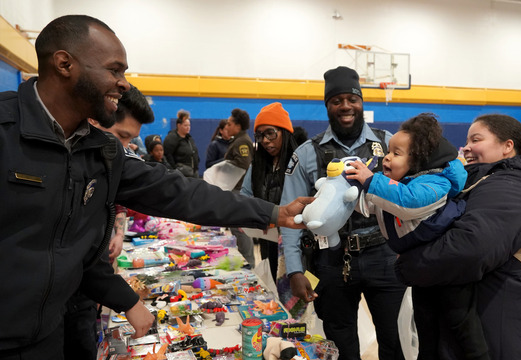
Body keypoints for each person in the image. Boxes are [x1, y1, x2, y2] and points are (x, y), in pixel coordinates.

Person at [0, 15, 310, 358]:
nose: (124, 84)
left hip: (48, 336)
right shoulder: (6, 131)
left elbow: (178, 193)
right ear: (64, 64)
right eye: (115, 70)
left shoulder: (100, 152)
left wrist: (273, 212)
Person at [280, 66, 406, 360]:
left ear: (362, 102)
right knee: (339, 343)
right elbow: (290, 218)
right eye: (337, 101)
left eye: (352, 99)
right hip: (331, 262)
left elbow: (412, 196)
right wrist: (295, 270)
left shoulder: (388, 143)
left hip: (385, 256)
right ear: (328, 106)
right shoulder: (307, 153)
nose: (346, 106)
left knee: (395, 339)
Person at [395, 114, 521, 359]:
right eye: (466, 140)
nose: (467, 147)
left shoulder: (512, 185)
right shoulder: (484, 181)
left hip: (503, 325)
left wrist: (406, 265)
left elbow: (468, 249)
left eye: (476, 139)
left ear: (507, 146)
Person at [348, 113, 490, 360]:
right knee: (426, 332)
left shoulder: (434, 184)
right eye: (388, 152)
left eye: (397, 153)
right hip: (425, 274)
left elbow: (408, 203)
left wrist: (371, 181)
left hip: (451, 273)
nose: (388, 157)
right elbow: (373, 205)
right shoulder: (396, 185)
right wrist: (348, 192)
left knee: (464, 331)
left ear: (418, 160)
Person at [65, 84, 154, 360]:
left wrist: (118, 226)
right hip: (68, 302)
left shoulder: (109, 158)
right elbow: (73, 254)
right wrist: (127, 300)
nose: (125, 148)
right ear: (95, 119)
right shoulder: (71, 168)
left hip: (89, 292)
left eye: (130, 141)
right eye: (121, 136)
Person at [241, 102, 298, 282]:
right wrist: (259, 216)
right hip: (267, 240)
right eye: (260, 135)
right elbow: (244, 195)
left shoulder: (299, 164)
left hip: (296, 244)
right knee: (273, 286)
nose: (265, 140)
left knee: (298, 296)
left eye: (270, 133)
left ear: (285, 133)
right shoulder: (257, 165)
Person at [224, 108, 257, 268]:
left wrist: (224, 168)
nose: (227, 126)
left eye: (230, 124)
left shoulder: (242, 141)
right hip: (235, 190)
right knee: (238, 229)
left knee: (241, 229)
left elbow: (244, 166)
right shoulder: (238, 140)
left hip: (239, 190)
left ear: (238, 126)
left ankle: (249, 263)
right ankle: (246, 261)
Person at [163, 109, 200, 177]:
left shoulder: (189, 138)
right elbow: (168, 155)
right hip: (181, 174)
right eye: (185, 125)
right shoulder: (172, 138)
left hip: (193, 172)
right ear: (179, 125)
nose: (188, 127)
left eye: (189, 125)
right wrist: (174, 169)